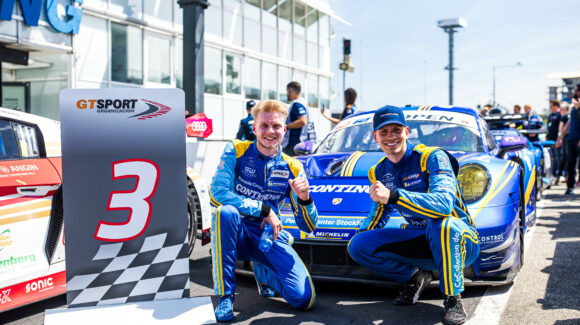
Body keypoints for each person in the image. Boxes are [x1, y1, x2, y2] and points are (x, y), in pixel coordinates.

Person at [347, 105, 480, 325]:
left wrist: (394, 196)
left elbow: (444, 205)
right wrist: (359, 242)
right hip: (421, 238)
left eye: (396, 130)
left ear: (407, 132)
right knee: (358, 244)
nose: (391, 137)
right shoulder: (379, 171)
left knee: (443, 226)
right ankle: (415, 277)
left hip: (462, 240)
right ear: (375, 137)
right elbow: (378, 214)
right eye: (384, 132)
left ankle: (452, 297)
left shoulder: (433, 157)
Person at [210, 99, 318, 322]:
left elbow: (308, 226)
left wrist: (306, 200)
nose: (270, 131)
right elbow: (217, 193)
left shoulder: (293, 166)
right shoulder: (235, 150)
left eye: (276, 126)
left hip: (266, 236)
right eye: (264, 126)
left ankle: (264, 273)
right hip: (235, 232)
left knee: (304, 299)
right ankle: (225, 295)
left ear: (285, 129)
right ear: (254, 128)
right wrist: (264, 209)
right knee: (225, 213)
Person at [557, 84, 580, 194]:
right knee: (571, 164)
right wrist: (562, 134)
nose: (573, 92)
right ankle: (570, 187)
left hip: (579, 139)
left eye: (575, 90)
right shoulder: (573, 106)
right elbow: (571, 122)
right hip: (571, 139)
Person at [282, 81, 316, 156]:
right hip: (304, 143)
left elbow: (303, 121)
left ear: (290, 91)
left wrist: (286, 126)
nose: (287, 94)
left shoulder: (297, 104)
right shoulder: (304, 102)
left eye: (287, 92)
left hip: (295, 145)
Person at [556, 102, 570, 184]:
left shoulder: (564, 117)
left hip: (566, 139)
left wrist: (559, 139)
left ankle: (558, 176)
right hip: (573, 139)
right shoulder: (573, 115)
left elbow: (560, 129)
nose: (560, 111)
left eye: (561, 110)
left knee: (564, 158)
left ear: (564, 110)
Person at [547, 100, 561, 178]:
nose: (550, 107)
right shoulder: (550, 115)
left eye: (551, 106)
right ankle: (553, 174)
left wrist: (559, 139)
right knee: (551, 157)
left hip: (557, 140)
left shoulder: (560, 115)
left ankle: (559, 173)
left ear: (556, 106)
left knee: (557, 157)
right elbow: (548, 126)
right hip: (550, 140)